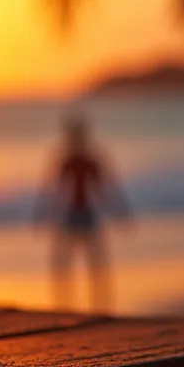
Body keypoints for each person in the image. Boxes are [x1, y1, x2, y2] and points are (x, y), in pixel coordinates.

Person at [35, 112, 130, 312]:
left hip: (85, 215)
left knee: (94, 264)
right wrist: (43, 214)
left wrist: (119, 211)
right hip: (72, 216)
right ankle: (65, 306)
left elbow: (105, 189)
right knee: (65, 265)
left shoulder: (88, 160)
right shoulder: (67, 160)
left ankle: (99, 307)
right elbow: (53, 191)